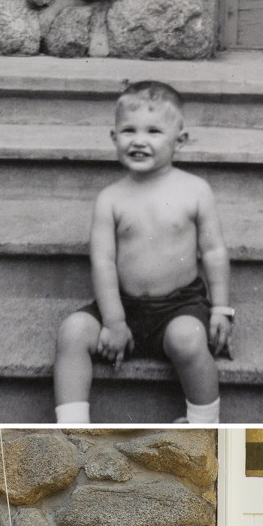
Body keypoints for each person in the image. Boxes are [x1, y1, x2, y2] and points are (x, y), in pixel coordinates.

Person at [54, 79, 233, 426]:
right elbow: (103, 263)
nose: (138, 140)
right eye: (128, 131)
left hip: (179, 306)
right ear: (113, 138)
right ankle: (72, 428)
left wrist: (221, 309)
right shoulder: (111, 198)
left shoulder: (195, 191)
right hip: (124, 306)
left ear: (179, 140)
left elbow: (213, 252)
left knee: (189, 338)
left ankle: (203, 424)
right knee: (72, 331)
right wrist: (114, 321)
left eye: (153, 131)